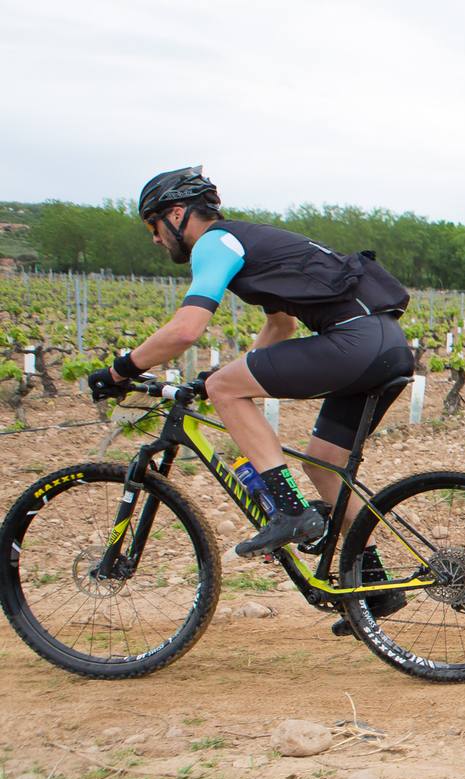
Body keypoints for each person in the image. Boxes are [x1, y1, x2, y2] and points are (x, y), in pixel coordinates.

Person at [86, 166, 416, 628]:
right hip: (386, 344)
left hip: (355, 342)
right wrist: (227, 373)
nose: (155, 239)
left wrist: (121, 369)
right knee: (322, 462)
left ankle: (286, 509)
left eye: (153, 226)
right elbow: (280, 326)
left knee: (225, 388)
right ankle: (376, 585)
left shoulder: (215, 243)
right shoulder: (256, 244)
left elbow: (186, 329)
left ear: (178, 215)